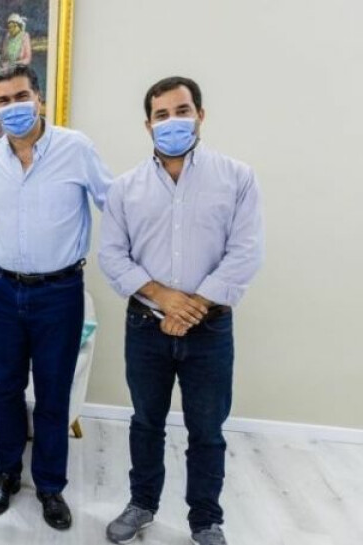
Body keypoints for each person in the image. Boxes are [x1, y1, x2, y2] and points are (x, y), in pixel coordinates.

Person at [100, 76, 264, 545]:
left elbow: (245, 251)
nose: (172, 121)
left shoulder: (237, 178)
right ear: (148, 124)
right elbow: (112, 255)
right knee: (145, 422)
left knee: (207, 430)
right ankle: (142, 504)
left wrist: (194, 305)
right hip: (145, 326)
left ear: (200, 115)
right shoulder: (125, 188)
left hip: (210, 330)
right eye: (162, 115)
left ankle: (206, 520)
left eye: (182, 111)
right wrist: (163, 297)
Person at [0, 64, 112, 530]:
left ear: (40, 99)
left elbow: (113, 203)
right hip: (3, 288)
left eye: (21, 97)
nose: (13, 107)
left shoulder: (76, 148)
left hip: (60, 291)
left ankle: (51, 487)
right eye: (3, 100)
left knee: (53, 392)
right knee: (4, 388)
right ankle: (6, 473)